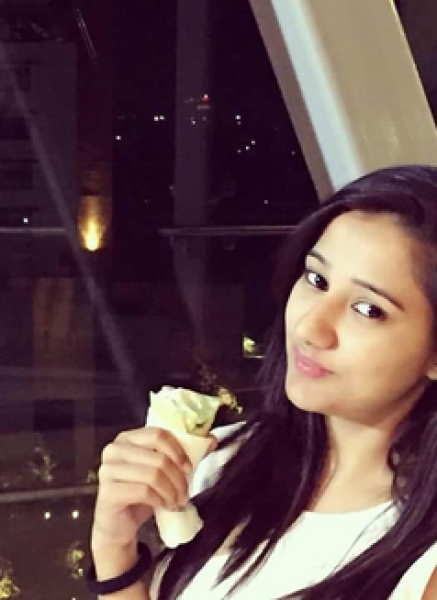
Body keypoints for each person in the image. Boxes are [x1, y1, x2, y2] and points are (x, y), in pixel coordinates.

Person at [89, 165, 437, 599]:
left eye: (367, 309)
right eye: (316, 279)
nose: (311, 327)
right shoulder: (221, 462)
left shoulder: (423, 560)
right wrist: (114, 549)